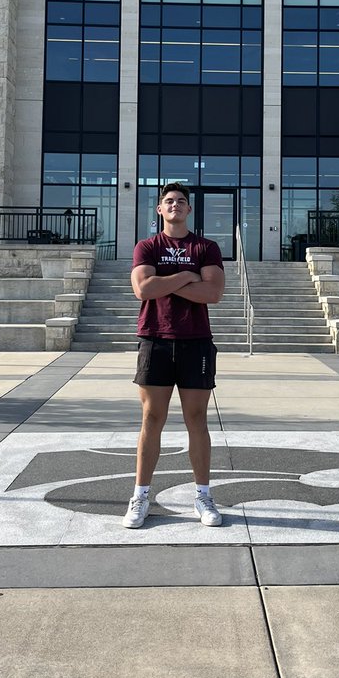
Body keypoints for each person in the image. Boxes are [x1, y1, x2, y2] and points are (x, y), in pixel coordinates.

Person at [123, 182, 226, 529]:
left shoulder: (206, 246)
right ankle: (141, 495)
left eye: (181, 201)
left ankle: (203, 495)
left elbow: (212, 292)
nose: (175, 205)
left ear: (189, 210)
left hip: (195, 340)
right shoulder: (147, 246)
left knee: (196, 419)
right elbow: (143, 289)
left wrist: (163, 281)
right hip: (155, 339)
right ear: (159, 210)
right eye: (169, 201)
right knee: (152, 418)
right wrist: (185, 275)